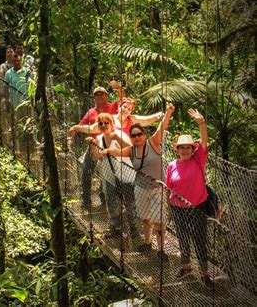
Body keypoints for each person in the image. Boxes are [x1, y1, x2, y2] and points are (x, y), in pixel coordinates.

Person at [103, 103, 175, 260]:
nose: (137, 137)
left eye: (139, 134)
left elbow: (161, 128)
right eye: (133, 135)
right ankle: (148, 243)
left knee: (159, 222)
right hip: (141, 188)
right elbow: (118, 152)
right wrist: (107, 150)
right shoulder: (131, 150)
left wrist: (168, 113)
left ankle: (161, 250)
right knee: (145, 218)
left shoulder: (153, 143)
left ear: (144, 134)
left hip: (157, 188)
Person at [165, 109, 213, 289]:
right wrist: (169, 208)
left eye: (188, 147)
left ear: (193, 149)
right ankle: (186, 266)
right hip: (177, 208)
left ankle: (204, 273)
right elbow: (170, 187)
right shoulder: (172, 165)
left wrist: (201, 123)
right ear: (176, 149)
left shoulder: (198, 159)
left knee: (200, 240)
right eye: (181, 147)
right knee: (183, 238)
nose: (185, 150)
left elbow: (204, 140)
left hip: (197, 207)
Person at [69, 80, 125, 208]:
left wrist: (119, 88)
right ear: (94, 98)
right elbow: (82, 125)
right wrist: (73, 129)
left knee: (107, 176)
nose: (100, 97)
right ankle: (86, 200)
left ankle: (103, 197)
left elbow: (124, 99)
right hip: (93, 147)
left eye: (102, 94)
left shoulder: (113, 107)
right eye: (97, 95)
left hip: (109, 148)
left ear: (106, 96)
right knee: (86, 172)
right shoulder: (91, 112)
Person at [86, 113, 138, 239]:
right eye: (100, 123)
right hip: (109, 175)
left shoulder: (119, 134)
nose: (103, 125)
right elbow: (96, 157)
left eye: (106, 122)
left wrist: (109, 150)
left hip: (125, 175)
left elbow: (129, 150)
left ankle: (133, 228)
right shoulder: (99, 138)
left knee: (129, 202)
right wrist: (92, 147)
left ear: (111, 123)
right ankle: (116, 228)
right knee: (111, 202)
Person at [72, 97, 165, 136]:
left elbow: (148, 120)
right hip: (109, 158)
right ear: (119, 107)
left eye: (129, 109)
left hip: (125, 158)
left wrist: (159, 115)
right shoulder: (109, 119)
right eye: (124, 107)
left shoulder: (131, 119)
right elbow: (92, 129)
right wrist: (76, 128)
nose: (126, 110)